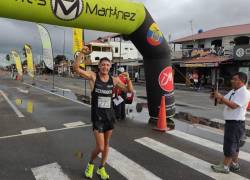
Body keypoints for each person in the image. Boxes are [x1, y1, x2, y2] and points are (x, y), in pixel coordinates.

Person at [73, 46, 133, 180]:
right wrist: (81, 54)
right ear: (99, 66)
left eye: (107, 65)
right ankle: (90, 164)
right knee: (100, 147)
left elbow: (129, 91)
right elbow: (76, 69)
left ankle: (102, 168)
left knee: (106, 145)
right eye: (103, 65)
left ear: (110, 67)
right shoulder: (93, 77)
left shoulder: (115, 80)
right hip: (97, 117)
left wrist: (128, 80)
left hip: (109, 116)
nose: (105, 67)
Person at [210, 72, 250, 174]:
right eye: (232, 79)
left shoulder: (244, 93)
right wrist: (216, 97)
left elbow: (233, 105)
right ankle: (234, 164)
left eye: (234, 79)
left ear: (241, 81)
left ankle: (225, 166)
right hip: (232, 123)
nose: (232, 81)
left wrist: (221, 97)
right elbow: (223, 101)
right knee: (235, 146)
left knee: (230, 145)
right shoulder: (234, 91)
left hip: (235, 124)